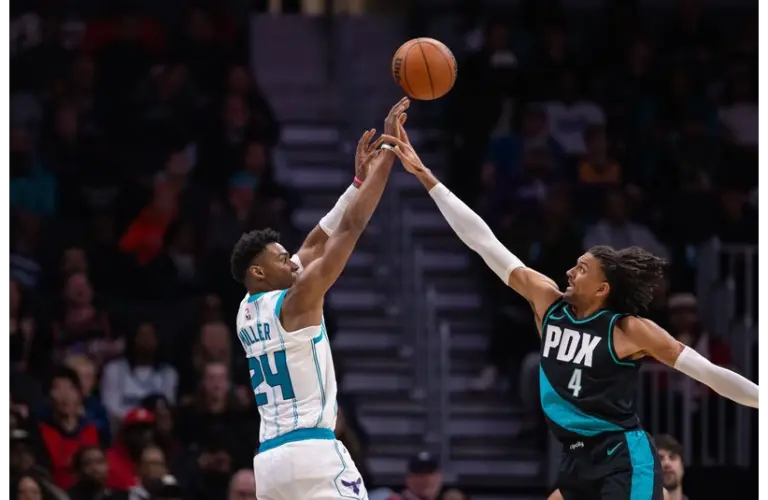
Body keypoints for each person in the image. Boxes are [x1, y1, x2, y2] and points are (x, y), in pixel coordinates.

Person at [386, 124, 759, 500]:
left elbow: (709, 373)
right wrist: (427, 177)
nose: (568, 271)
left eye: (581, 268)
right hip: (576, 458)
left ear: (602, 288)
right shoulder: (548, 303)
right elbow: (484, 242)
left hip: (623, 457)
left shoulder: (628, 330)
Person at [229, 97, 409, 500]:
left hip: (270, 464)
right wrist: (389, 156)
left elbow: (313, 243)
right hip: (312, 451)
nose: (292, 263)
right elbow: (352, 228)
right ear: (259, 272)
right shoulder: (299, 300)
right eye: (281, 260)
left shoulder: (245, 311)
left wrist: (356, 184)